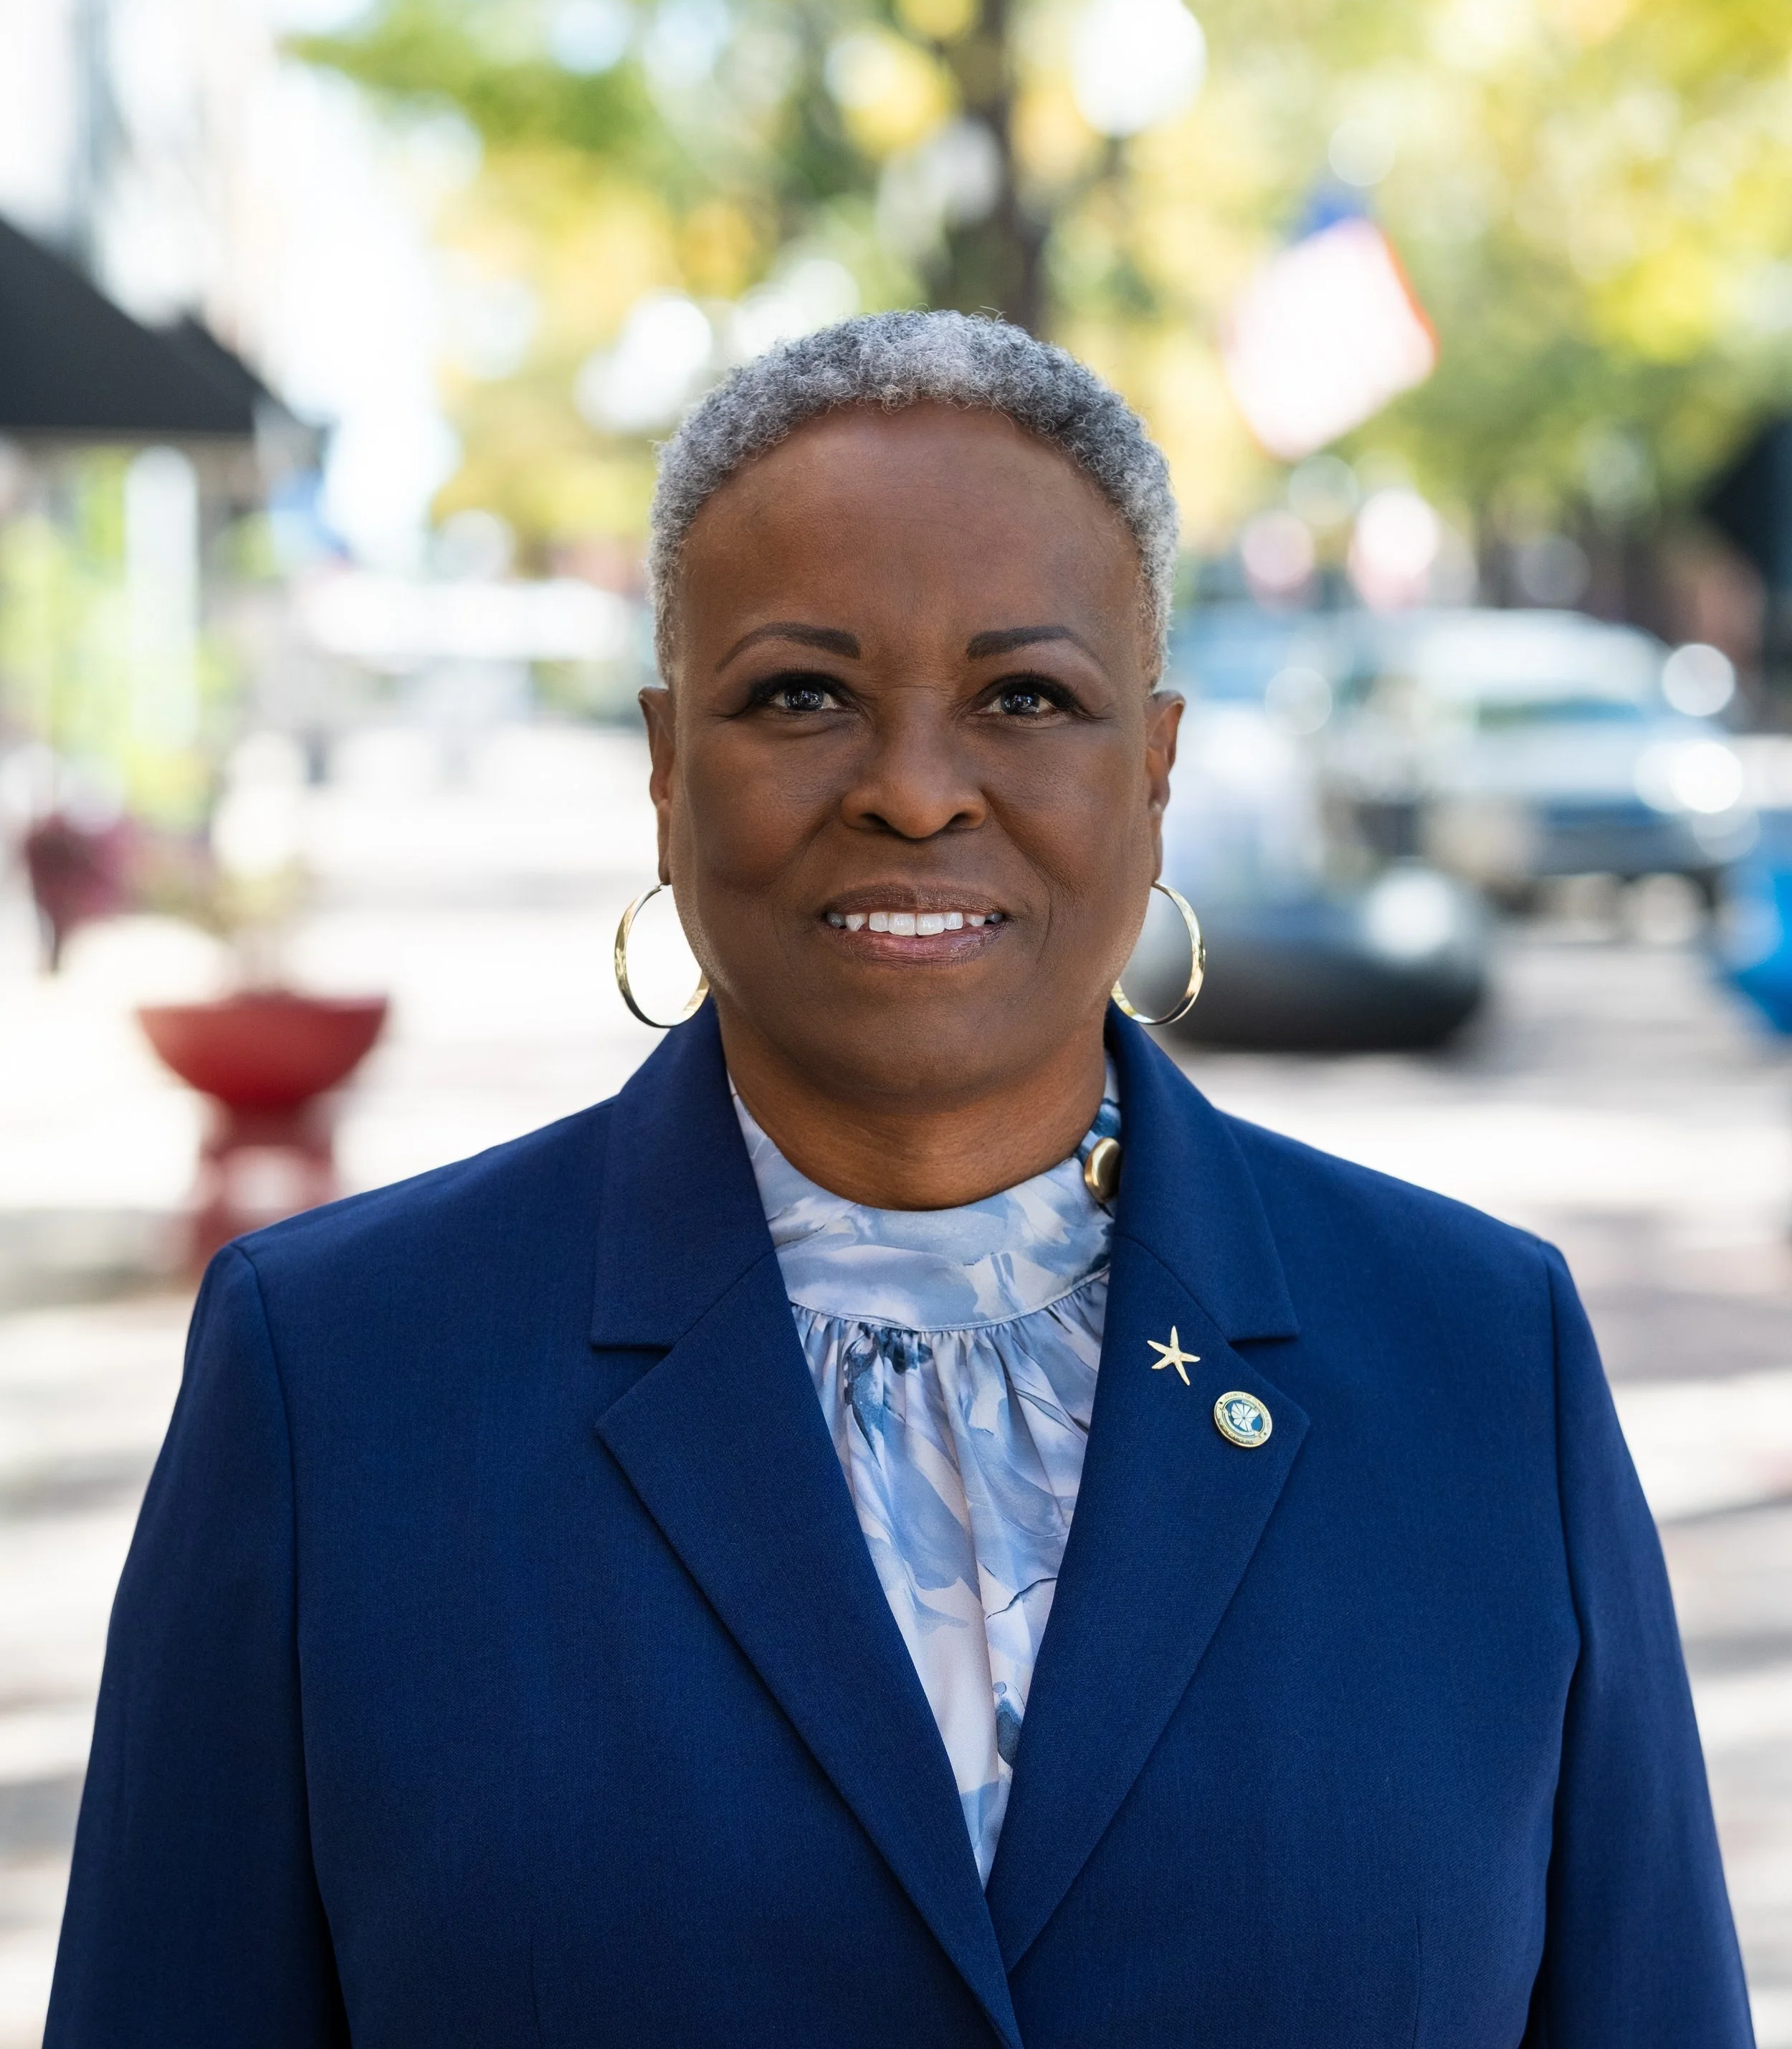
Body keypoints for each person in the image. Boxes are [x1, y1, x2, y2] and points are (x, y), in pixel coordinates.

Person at [47, 312, 1750, 2048]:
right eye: (801, 693)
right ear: (662, 769)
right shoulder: (335, 1378)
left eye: (1025, 696)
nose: (916, 788)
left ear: (1152, 773)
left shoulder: (1479, 1361)